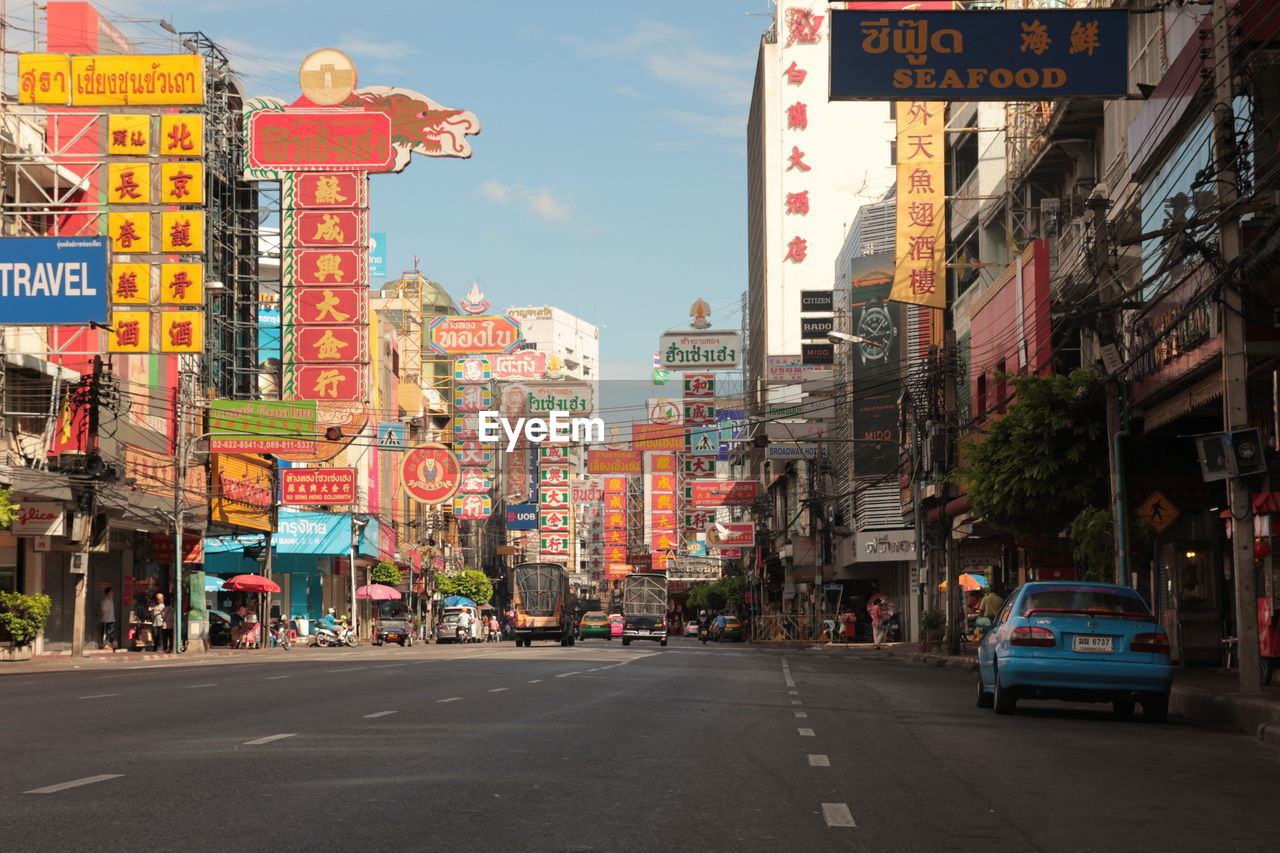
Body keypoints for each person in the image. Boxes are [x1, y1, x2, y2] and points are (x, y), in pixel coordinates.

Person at [98, 586, 117, 651]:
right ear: (108, 593)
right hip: (106, 620)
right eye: (111, 592)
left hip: (111, 619)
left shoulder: (111, 600)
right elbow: (102, 611)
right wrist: (99, 614)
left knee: (111, 633)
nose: (113, 593)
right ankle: (105, 645)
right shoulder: (105, 601)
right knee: (106, 633)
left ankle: (110, 644)